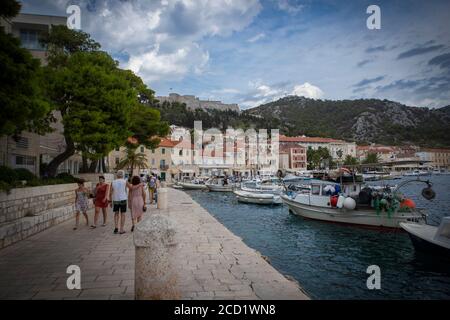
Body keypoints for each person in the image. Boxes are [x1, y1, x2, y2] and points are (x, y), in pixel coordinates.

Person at [110, 170, 128, 234]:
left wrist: (110, 201)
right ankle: (121, 229)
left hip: (115, 200)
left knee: (116, 213)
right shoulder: (125, 181)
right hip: (123, 199)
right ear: (123, 175)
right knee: (123, 214)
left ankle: (116, 227)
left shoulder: (113, 182)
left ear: (117, 175)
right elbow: (126, 190)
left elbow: (110, 192)